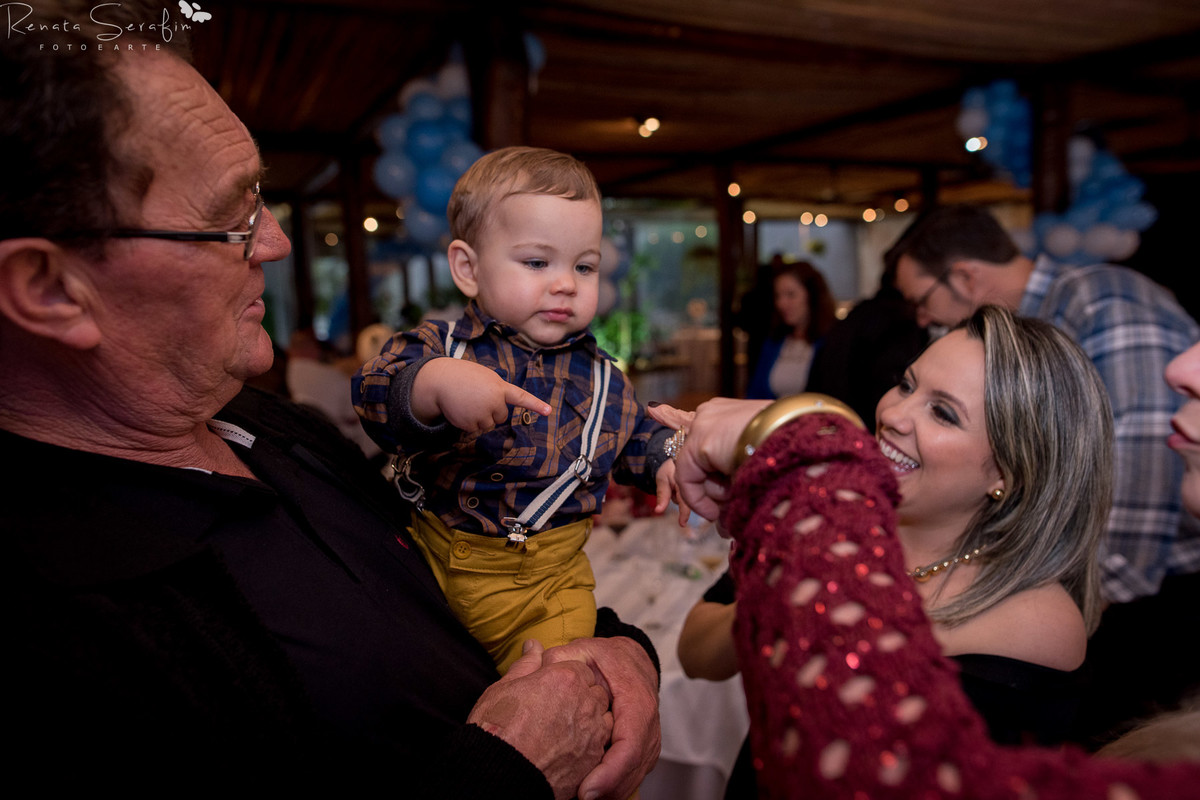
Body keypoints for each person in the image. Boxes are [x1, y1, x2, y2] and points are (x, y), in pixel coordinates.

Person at [2, 5, 659, 795]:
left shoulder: (274, 428)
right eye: (229, 219)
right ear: (50, 288)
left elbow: (443, 565)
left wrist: (620, 653)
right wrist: (508, 769)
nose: (276, 243)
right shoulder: (51, 630)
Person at [652, 311, 1200, 798]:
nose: (894, 413)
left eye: (943, 413)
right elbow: (696, 654)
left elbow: (877, 770)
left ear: (1009, 473)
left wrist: (805, 583)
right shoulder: (847, 517)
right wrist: (802, 571)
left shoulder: (1035, 619)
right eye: (906, 384)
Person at [353, 146, 677, 673]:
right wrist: (432, 385)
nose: (566, 283)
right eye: (536, 262)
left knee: (554, 686)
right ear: (468, 268)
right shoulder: (439, 346)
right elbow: (372, 392)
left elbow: (633, 434)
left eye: (584, 266)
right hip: (428, 567)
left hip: (547, 590)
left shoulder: (605, 379)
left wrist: (665, 456)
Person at [889, 204, 1200, 744]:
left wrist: (1042, 606)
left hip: (1149, 605)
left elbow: (1148, 473)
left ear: (964, 277)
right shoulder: (1053, 313)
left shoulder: (1102, 302)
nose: (921, 317)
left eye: (921, 299)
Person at [804, 245, 927, 430]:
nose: (925, 318)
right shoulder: (900, 320)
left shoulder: (857, 315)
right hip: (866, 424)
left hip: (835, 418)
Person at [746, 259, 837, 400]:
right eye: (778, 296)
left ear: (812, 295)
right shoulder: (774, 342)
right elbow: (755, 394)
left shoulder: (833, 343)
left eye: (790, 295)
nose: (781, 304)